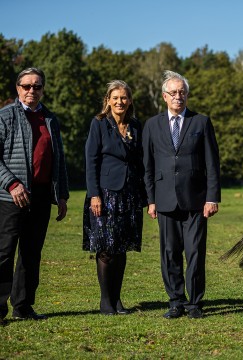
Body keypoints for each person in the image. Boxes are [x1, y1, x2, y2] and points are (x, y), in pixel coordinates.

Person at [143, 71, 221, 319]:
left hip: (196, 200)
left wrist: (212, 198)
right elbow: (147, 165)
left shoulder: (201, 122)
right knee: (170, 252)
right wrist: (151, 200)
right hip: (165, 199)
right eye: (174, 93)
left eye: (182, 92)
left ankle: (195, 303)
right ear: (164, 96)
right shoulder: (152, 125)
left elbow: (212, 162)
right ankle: (175, 301)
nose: (179, 96)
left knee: (195, 251)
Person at [0, 67, 69, 322]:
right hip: (11, 196)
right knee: (4, 253)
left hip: (40, 196)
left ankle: (24, 306)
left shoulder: (50, 119)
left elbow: (58, 159)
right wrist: (11, 184)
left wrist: (61, 194)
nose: (32, 91)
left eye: (37, 86)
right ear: (18, 88)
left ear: (43, 89)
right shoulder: (5, 116)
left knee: (31, 252)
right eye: (27, 86)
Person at [83, 80, 145, 315]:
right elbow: (91, 161)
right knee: (106, 249)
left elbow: (140, 162)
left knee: (121, 249)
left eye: (124, 98)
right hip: (105, 194)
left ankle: (117, 301)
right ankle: (105, 301)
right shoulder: (99, 124)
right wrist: (94, 195)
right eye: (116, 98)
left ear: (130, 101)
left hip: (129, 195)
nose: (120, 102)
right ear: (108, 100)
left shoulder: (136, 125)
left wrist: (145, 195)